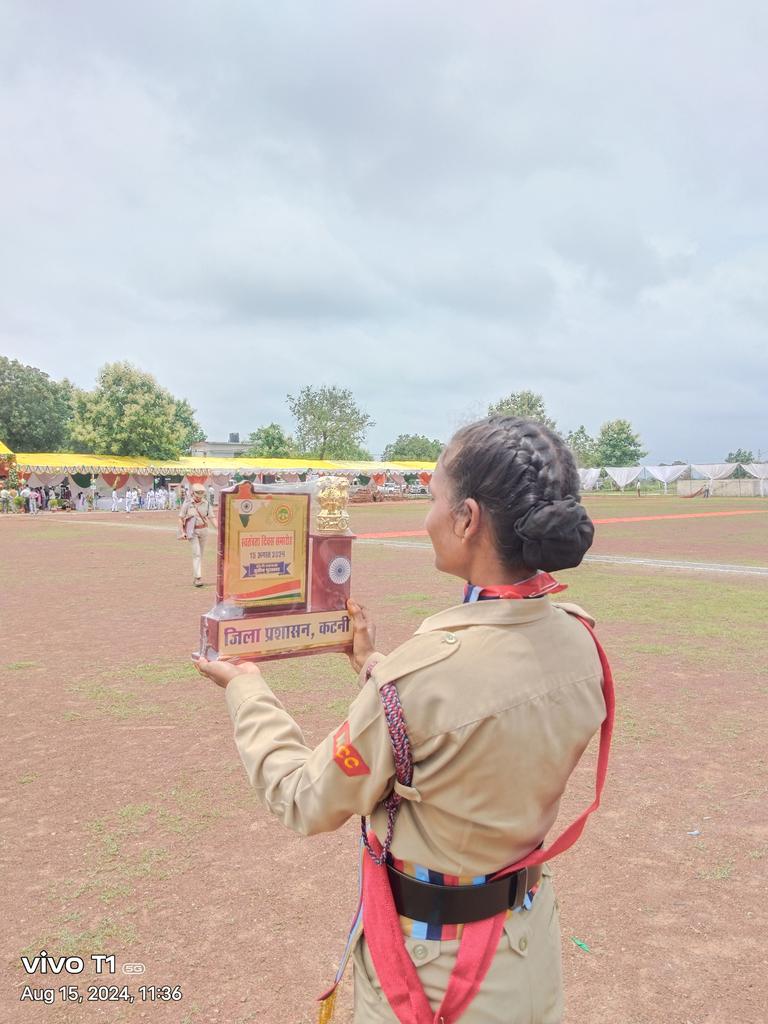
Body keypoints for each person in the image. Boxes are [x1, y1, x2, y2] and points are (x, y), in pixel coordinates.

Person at [194, 416, 612, 1023]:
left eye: (434, 498)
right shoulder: (579, 640)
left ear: (467, 519)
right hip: (525, 952)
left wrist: (247, 689)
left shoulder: (422, 679)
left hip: (435, 972)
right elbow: (459, 709)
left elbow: (304, 798)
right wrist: (371, 662)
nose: (426, 517)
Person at [179, 482, 214, 587]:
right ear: (192, 493)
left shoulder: (206, 503)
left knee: (200, 554)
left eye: (201, 495)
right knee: (197, 554)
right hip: (192, 531)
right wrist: (183, 532)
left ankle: (196, 576)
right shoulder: (187, 503)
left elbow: (212, 517)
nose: (199, 497)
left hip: (204, 530)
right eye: (197, 494)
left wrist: (219, 528)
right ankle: (198, 578)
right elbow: (181, 518)